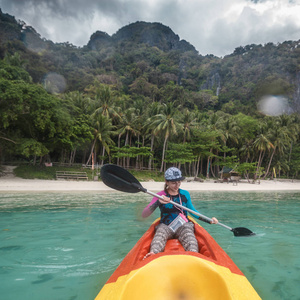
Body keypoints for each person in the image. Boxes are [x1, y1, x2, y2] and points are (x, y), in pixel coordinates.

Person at [142, 167, 218, 259]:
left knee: (190, 238)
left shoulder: (185, 194)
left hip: (183, 225)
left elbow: (193, 212)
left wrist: (209, 220)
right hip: (166, 226)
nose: (177, 185)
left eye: (179, 182)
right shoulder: (159, 195)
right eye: (174, 183)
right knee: (159, 235)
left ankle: (193, 256)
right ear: (167, 182)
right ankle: (153, 254)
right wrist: (158, 202)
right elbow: (144, 214)